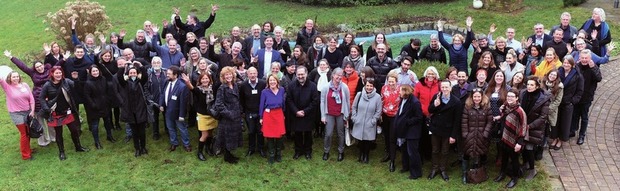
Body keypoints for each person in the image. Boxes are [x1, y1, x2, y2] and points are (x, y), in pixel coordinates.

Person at [5, 50, 61, 146]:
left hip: (49, 99)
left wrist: (64, 59)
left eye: (40, 65)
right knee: (40, 121)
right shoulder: (32, 73)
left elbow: (58, 64)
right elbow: (22, 66)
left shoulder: (49, 70)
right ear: (35, 69)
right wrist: (11, 57)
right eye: (37, 67)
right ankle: (43, 140)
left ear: (43, 65)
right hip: (38, 99)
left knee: (50, 120)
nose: (39, 68)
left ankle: (53, 137)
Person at [40, 66, 89, 160]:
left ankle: (78, 147)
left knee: (74, 131)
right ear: (52, 74)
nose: (59, 75)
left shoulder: (66, 81)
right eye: (56, 73)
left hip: (67, 111)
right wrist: (47, 109)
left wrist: (76, 79)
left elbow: (77, 88)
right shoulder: (47, 85)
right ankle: (61, 152)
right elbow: (41, 98)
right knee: (59, 133)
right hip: (56, 113)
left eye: (60, 73)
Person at [427, 80, 462, 181]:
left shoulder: (456, 102)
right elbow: (430, 110)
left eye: (447, 87)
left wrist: (453, 135)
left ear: (451, 88)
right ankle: (434, 168)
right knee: (435, 150)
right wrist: (435, 105)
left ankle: (443, 169)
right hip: (436, 128)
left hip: (448, 131)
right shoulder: (436, 97)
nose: (444, 89)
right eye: (443, 87)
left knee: (445, 151)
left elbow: (457, 120)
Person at [493, 89, 527, 188]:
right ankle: (502, 174)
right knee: (504, 157)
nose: (509, 98)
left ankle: (514, 178)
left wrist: (519, 143)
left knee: (514, 159)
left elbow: (523, 127)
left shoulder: (520, 111)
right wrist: (500, 115)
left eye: (512, 96)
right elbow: (505, 118)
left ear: (517, 98)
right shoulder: (506, 107)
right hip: (504, 137)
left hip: (514, 140)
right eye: (508, 96)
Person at [181, 72, 219, 161]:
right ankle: (200, 152)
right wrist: (187, 82)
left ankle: (208, 148)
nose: (205, 80)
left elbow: (221, 81)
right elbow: (192, 89)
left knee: (210, 133)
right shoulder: (198, 90)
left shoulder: (213, 88)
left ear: (210, 79)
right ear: (200, 80)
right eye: (203, 79)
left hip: (212, 115)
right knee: (204, 135)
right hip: (202, 115)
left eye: (207, 78)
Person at [116, 61, 150, 157]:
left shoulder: (140, 82)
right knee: (134, 133)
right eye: (131, 73)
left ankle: (143, 147)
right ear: (128, 74)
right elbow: (119, 77)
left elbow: (145, 76)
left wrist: (140, 65)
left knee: (142, 132)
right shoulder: (125, 83)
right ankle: (137, 149)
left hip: (140, 110)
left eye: (134, 72)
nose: (132, 74)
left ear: (137, 73)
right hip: (130, 111)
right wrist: (124, 66)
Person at [520, 76, 550, 181]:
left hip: (534, 128)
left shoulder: (543, 99)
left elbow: (543, 117)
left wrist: (530, 126)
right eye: (528, 84)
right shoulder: (523, 94)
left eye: (532, 85)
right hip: (523, 126)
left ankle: (532, 169)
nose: (529, 87)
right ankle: (525, 164)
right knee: (523, 148)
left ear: (537, 86)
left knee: (529, 148)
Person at [460, 88, 493, 184]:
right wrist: (465, 134)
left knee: (481, 153)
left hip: (482, 136)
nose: (477, 98)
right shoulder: (467, 107)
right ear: (472, 97)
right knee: (466, 154)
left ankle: (479, 172)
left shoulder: (487, 107)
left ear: (482, 97)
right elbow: (464, 121)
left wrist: (485, 133)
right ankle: (465, 173)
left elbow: (490, 122)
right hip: (469, 135)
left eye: (478, 96)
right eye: (475, 96)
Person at [550, 55, 583, 150]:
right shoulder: (558, 72)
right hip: (557, 102)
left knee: (565, 122)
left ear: (572, 64)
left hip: (567, 103)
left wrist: (573, 101)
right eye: (564, 62)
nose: (566, 64)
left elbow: (580, 91)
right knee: (555, 121)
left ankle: (560, 140)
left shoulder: (577, 75)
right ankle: (554, 138)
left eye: (568, 63)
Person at [287, 66, 320, 160]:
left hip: (308, 115)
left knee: (308, 134)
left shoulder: (313, 86)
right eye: (298, 74)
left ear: (306, 74)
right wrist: (296, 111)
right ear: (296, 75)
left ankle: (308, 151)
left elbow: (315, 101)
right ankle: (298, 151)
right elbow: (289, 100)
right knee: (297, 134)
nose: (300, 76)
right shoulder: (291, 85)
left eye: (302, 74)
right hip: (296, 114)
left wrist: (305, 111)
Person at [1, 71, 35, 160]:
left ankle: (28, 149)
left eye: (17, 76)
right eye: (13, 77)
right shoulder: (7, 87)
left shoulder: (25, 85)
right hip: (16, 113)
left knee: (28, 132)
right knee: (24, 133)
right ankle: (26, 155)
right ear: (9, 78)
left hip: (28, 111)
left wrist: (32, 110)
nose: (15, 78)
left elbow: (31, 99)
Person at [83, 64, 117, 149]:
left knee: (107, 121)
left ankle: (109, 136)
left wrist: (108, 100)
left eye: (96, 71)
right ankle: (97, 141)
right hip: (95, 106)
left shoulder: (103, 79)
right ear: (90, 73)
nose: (95, 72)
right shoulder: (88, 83)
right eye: (93, 71)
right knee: (95, 125)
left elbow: (106, 90)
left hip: (105, 104)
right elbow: (87, 96)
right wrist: (93, 105)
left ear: (99, 71)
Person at [394, 84, 424, 180]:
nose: (399, 92)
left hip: (412, 131)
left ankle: (416, 173)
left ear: (405, 91)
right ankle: (406, 167)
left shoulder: (415, 102)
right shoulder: (403, 100)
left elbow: (419, 117)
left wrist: (407, 122)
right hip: (404, 130)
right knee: (404, 150)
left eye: (401, 90)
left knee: (412, 152)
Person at [214, 66, 244, 164]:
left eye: (230, 74)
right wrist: (229, 114)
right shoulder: (222, 88)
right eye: (226, 75)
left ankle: (229, 154)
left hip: (236, 115)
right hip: (227, 118)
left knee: (233, 137)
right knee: (227, 138)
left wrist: (239, 111)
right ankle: (227, 156)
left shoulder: (235, 85)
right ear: (223, 77)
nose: (228, 76)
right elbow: (219, 104)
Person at [572, 50, 602, 145]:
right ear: (579, 58)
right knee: (575, 114)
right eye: (583, 58)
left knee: (584, 116)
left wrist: (593, 68)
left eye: (586, 58)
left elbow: (599, 78)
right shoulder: (577, 66)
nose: (584, 60)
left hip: (587, 96)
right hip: (577, 96)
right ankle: (573, 130)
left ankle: (582, 135)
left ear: (590, 58)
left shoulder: (593, 67)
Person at [320, 68, 350, 162]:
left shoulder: (344, 87)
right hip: (329, 113)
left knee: (340, 133)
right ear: (333, 75)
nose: (339, 77)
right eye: (337, 75)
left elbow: (347, 102)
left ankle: (341, 151)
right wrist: (323, 116)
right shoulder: (326, 87)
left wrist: (347, 115)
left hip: (340, 113)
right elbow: (322, 101)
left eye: (341, 75)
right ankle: (326, 151)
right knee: (328, 134)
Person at [159, 66, 191, 152]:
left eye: (169, 74)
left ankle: (186, 144)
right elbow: (162, 94)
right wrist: (161, 104)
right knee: (170, 128)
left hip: (177, 113)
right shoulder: (166, 82)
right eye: (167, 73)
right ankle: (174, 143)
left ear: (175, 75)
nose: (167, 75)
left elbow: (183, 103)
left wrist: (181, 115)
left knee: (182, 128)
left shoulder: (182, 87)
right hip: (167, 112)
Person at [351, 78, 382, 164]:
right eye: (367, 85)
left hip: (370, 123)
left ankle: (366, 155)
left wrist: (373, 121)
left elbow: (378, 111)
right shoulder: (359, 94)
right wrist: (354, 117)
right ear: (365, 85)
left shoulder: (377, 97)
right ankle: (361, 154)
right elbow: (354, 107)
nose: (369, 87)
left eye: (371, 86)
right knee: (360, 140)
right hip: (359, 121)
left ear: (373, 86)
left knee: (368, 141)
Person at [414, 66, 440, 161]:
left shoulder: (439, 85)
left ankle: (429, 155)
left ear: (435, 75)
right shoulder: (419, 84)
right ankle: (421, 154)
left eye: (432, 74)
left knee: (431, 136)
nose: (430, 75)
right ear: (426, 74)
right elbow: (415, 98)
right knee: (421, 135)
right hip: (422, 114)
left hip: (434, 115)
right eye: (429, 73)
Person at [239, 67, 267, 157]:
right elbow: (241, 99)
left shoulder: (263, 83)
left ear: (257, 73)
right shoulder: (243, 85)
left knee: (260, 131)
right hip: (249, 112)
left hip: (260, 112)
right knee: (251, 131)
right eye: (250, 73)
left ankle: (261, 148)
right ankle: (251, 149)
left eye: (254, 73)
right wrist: (243, 111)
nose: (252, 75)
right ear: (247, 74)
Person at [259, 74, 287, 164]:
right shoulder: (264, 92)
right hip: (268, 115)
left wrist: (283, 113)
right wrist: (261, 117)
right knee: (269, 135)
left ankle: (278, 153)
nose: (272, 82)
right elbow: (261, 105)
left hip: (279, 113)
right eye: (270, 80)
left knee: (280, 134)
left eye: (274, 80)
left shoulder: (282, 90)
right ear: (268, 82)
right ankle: (271, 154)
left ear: (277, 81)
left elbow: (283, 103)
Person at [485, 70, 510, 164]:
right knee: (487, 136)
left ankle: (499, 156)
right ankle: (485, 156)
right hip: (489, 117)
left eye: (501, 76)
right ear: (494, 77)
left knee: (500, 139)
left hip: (501, 118)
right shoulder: (488, 87)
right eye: (497, 76)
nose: (499, 78)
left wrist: (501, 115)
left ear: (504, 78)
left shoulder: (507, 88)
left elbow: (509, 103)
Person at [381, 73, 401, 170]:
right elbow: (382, 101)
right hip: (385, 115)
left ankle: (392, 160)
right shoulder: (384, 88)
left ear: (396, 82)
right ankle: (388, 153)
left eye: (393, 82)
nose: (391, 83)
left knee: (392, 138)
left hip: (395, 116)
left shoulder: (400, 90)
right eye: (389, 81)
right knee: (386, 136)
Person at [541, 69, 564, 151]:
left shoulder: (559, 87)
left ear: (557, 77)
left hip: (551, 110)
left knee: (548, 126)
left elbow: (558, 100)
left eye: (554, 75)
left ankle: (544, 143)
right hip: (540, 107)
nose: (552, 76)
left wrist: (548, 109)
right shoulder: (542, 82)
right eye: (551, 74)